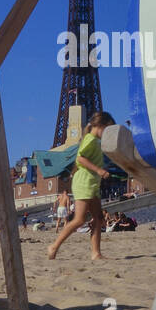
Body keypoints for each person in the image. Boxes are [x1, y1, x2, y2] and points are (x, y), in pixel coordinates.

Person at [48, 111, 115, 260]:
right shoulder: (90, 139)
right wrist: (99, 170)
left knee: (98, 218)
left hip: (92, 183)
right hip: (84, 182)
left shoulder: (94, 141)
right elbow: (80, 159)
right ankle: (54, 246)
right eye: (107, 129)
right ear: (100, 125)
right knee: (79, 220)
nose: (107, 134)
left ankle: (96, 253)